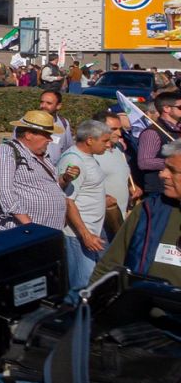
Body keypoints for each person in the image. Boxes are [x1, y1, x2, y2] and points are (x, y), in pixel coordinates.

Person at [90, 139, 181, 287]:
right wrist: (91, 300)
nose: (163, 174)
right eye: (165, 167)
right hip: (142, 305)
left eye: (173, 170)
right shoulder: (149, 210)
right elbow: (109, 265)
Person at [0, 110, 68, 233]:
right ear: (29, 134)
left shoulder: (43, 157)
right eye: (46, 135)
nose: (50, 139)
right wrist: (29, 224)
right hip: (20, 233)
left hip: (44, 232)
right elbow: (3, 191)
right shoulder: (6, 151)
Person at [58, 119, 111, 289]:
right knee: (83, 285)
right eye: (105, 141)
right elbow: (68, 201)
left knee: (97, 279)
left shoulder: (89, 157)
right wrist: (85, 235)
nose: (109, 145)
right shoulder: (74, 161)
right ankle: (79, 314)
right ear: (90, 140)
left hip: (94, 229)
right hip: (79, 234)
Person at [135, 91, 181, 195]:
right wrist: (174, 162)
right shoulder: (152, 132)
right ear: (166, 108)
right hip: (160, 189)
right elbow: (145, 162)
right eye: (180, 107)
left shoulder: (177, 130)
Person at [37, 89, 73, 163]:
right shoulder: (25, 122)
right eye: (41, 102)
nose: (43, 106)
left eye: (48, 103)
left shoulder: (64, 123)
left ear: (58, 106)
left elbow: (67, 149)